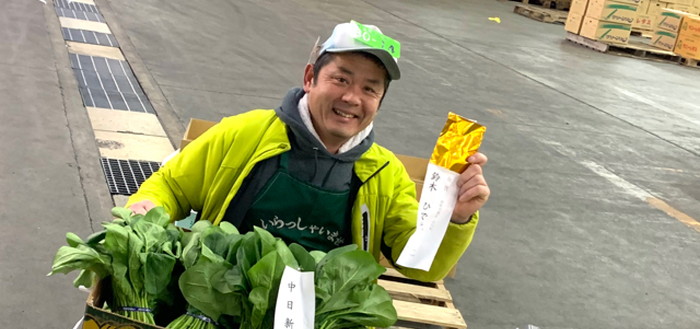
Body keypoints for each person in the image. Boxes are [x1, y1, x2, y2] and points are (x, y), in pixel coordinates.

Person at [126, 20, 490, 283]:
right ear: (309, 78)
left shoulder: (384, 173)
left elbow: (419, 264)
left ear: (379, 101)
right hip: (217, 296)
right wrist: (149, 207)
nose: (352, 98)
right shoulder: (244, 133)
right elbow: (171, 187)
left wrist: (454, 219)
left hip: (321, 322)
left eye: (370, 88)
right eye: (341, 79)